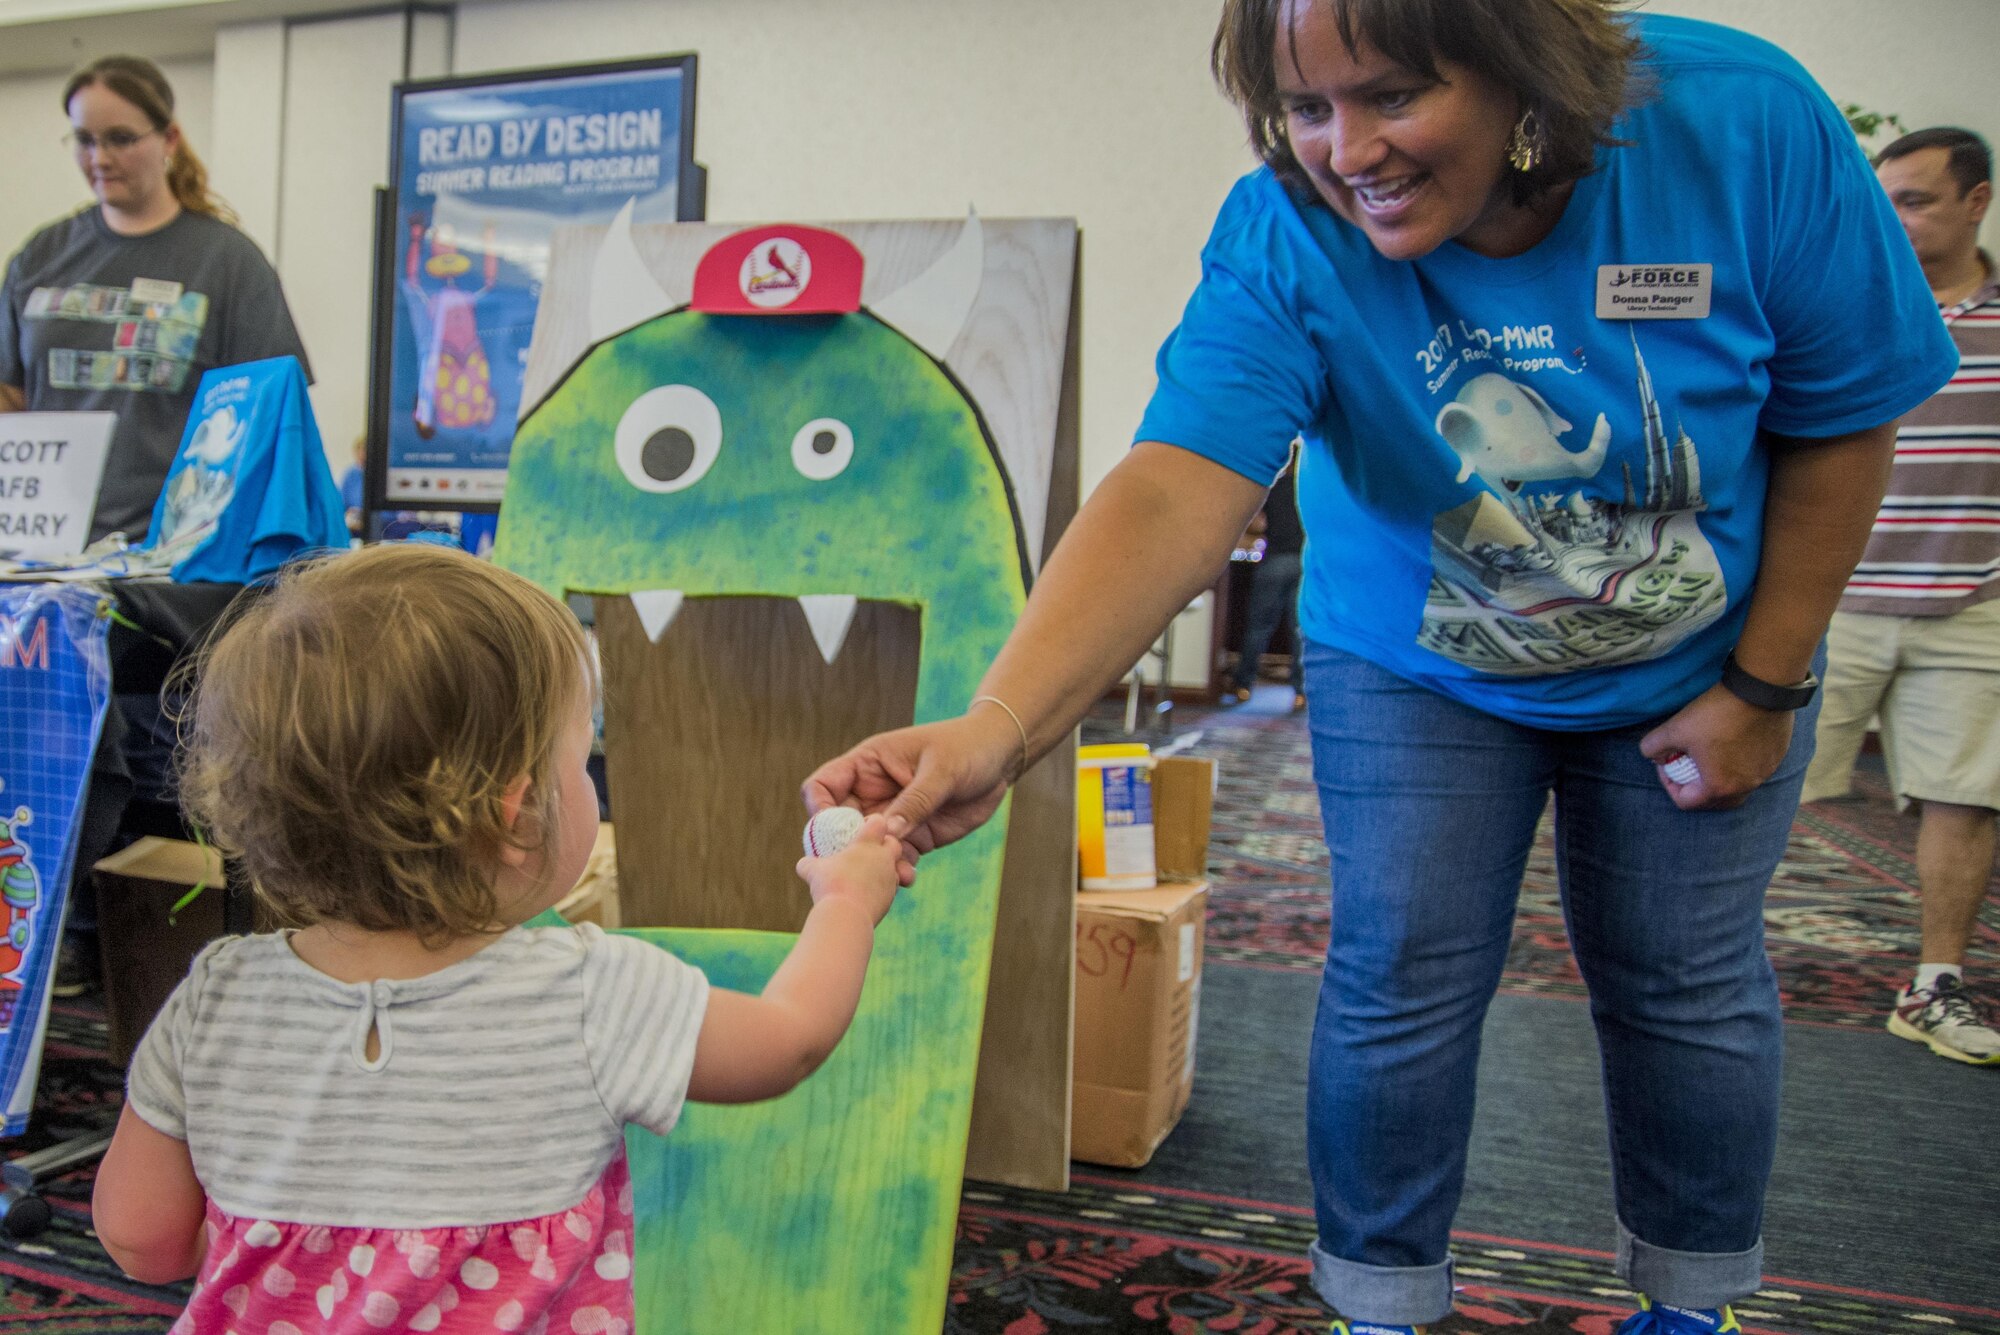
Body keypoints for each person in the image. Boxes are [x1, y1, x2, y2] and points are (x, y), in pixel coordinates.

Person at [806, 4, 1956, 1332]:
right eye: (1305, 109)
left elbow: (1842, 418)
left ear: (1522, 74)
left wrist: (1763, 687)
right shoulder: (1287, 225)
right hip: (1415, 656)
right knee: (1400, 967)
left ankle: (1694, 1304)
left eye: (1396, 97)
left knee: (1681, 978)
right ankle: (1381, 1303)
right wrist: (997, 724)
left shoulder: (1738, 122)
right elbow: (1180, 484)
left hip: (1702, 649)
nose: (1348, 153)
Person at [89, 544, 903, 1332]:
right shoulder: (588, 992)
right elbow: (787, 1040)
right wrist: (844, 901)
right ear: (517, 818)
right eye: (581, 760)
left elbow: (139, 1232)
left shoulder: (214, 999)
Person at [1802, 127, 2000, 1068]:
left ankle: (1935, 983)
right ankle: (1696, 974)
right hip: (1824, 598)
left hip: (1970, 602)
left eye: (1916, 200)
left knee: (1966, 798)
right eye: (1884, 199)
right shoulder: (1847, 307)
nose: (1893, 218)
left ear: (1978, 202)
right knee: (1751, 787)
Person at [0, 55, 311, 545]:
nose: (99, 158)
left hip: (174, 558)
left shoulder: (228, 262)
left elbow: (271, 418)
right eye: (84, 140)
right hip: (43, 552)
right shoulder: (40, 257)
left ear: (169, 139)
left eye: (120, 139)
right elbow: (10, 399)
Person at [1227, 453, 1306, 710]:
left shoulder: (1274, 487)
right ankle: (1300, 692)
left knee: (1258, 628)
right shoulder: (1308, 489)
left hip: (1273, 561)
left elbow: (1255, 524)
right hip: (1303, 563)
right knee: (1299, 632)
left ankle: (1243, 686)